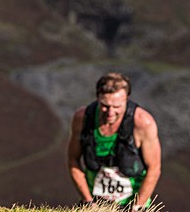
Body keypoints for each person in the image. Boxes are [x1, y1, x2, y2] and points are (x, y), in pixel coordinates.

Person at [67, 72, 161, 210]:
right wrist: (88, 202)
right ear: (97, 97)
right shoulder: (83, 119)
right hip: (94, 203)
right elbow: (73, 159)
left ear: (127, 99)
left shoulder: (143, 123)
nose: (110, 112)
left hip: (132, 204)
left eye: (117, 106)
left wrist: (138, 207)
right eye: (105, 105)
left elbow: (154, 167)